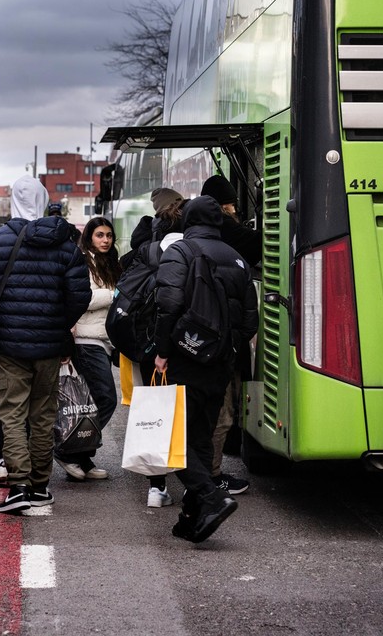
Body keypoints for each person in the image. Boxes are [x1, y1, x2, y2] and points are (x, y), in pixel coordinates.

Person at [0, 175, 91, 514]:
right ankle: (40, 485)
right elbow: (80, 296)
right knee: (43, 414)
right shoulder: (66, 245)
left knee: (12, 411)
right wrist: (58, 324)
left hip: (9, 345)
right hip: (51, 346)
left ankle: (19, 482)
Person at [151, 194, 258, 543]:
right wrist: (228, 348)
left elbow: (168, 304)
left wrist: (164, 351)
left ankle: (212, 497)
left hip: (186, 357)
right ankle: (193, 517)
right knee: (200, 439)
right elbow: (249, 318)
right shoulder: (238, 258)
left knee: (172, 441)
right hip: (221, 363)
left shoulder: (180, 251)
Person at [199, 175, 263, 496]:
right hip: (224, 346)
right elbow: (248, 309)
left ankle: (199, 475)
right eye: (232, 204)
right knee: (221, 413)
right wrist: (240, 340)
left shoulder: (181, 247)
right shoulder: (232, 249)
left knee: (207, 411)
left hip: (196, 346)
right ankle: (208, 478)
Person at [121, 187, 185, 507]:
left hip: (148, 345)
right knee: (186, 414)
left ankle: (156, 487)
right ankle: (193, 482)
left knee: (155, 409)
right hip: (183, 346)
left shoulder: (143, 250)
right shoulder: (192, 250)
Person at [54, 216, 122, 481]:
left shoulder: (109, 263)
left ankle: (82, 456)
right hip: (86, 340)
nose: (105, 240)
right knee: (106, 399)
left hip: (103, 341)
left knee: (90, 404)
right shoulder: (83, 261)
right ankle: (68, 450)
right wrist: (115, 293)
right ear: (89, 238)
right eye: (100, 235)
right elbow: (83, 297)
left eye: (108, 235)